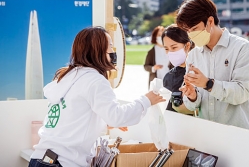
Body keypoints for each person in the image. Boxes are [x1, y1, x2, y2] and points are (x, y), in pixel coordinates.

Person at [28, 26, 165, 167]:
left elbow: (73, 115)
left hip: (40, 159)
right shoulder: (94, 80)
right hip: (63, 162)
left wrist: (104, 123)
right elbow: (117, 117)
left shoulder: (69, 77)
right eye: (110, 46)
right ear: (97, 51)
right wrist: (146, 100)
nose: (113, 51)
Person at [175, 0, 249, 132]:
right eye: (188, 31)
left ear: (210, 21)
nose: (191, 34)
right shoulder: (193, 55)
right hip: (208, 136)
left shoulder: (243, 48)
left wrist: (208, 84)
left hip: (240, 135)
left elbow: (242, 93)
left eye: (194, 28)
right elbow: (193, 106)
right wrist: (192, 97)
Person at [161, 24, 195, 113]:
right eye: (166, 49)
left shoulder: (200, 71)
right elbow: (167, 111)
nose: (170, 52)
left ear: (187, 46)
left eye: (174, 47)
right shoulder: (169, 77)